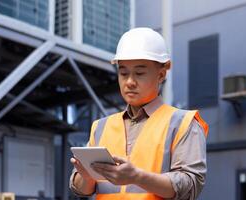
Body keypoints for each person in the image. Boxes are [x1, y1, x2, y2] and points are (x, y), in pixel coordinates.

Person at [69, 27, 209, 200]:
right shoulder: (100, 127)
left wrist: (137, 177)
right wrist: (87, 177)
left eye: (140, 73)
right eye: (123, 73)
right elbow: (82, 189)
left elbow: (190, 186)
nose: (129, 82)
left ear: (161, 75)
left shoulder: (183, 123)